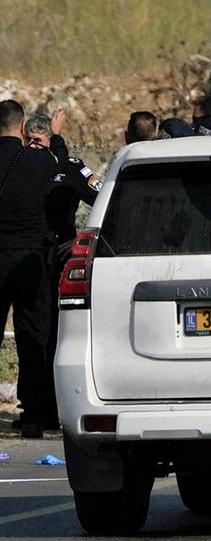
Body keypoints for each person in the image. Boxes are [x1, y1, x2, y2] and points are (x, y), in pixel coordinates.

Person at [24, 112, 103, 432]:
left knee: (59, 333)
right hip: (29, 259)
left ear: (49, 140)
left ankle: (57, 407)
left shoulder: (69, 167)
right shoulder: (20, 168)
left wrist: (80, 241)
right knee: (34, 333)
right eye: (29, 141)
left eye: (40, 141)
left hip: (59, 258)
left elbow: (103, 198)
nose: (34, 146)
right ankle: (36, 407)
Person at [0, 100, 68, 439]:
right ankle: (33, 417)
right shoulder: (37, 159)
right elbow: (61, 163)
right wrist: (55, 135)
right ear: (24, 127)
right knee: (33, 337)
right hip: (30, 259)